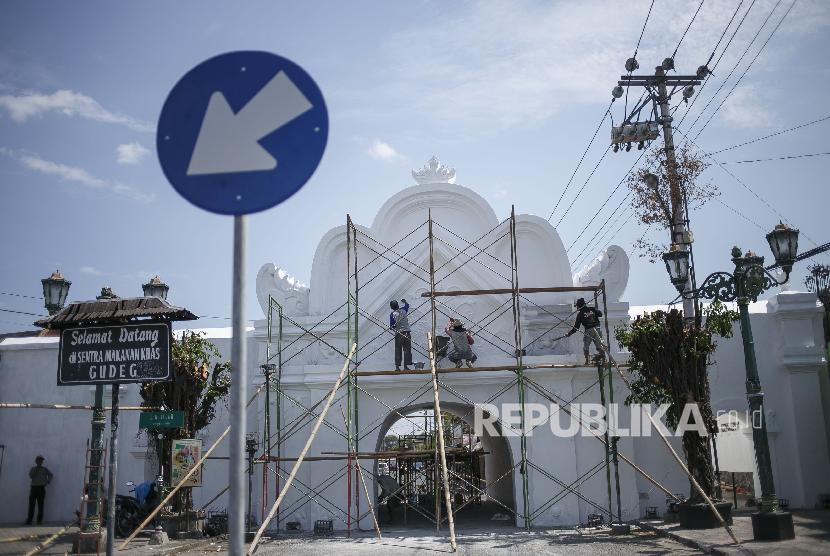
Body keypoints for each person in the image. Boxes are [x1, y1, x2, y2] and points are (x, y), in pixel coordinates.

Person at [566, 298, 605, 365]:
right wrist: (595, 311)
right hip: (597, 329)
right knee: (599, 346)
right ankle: (603, 360)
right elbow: (600, 314)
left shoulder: (580, 314)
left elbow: (576, 328)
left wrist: (569, 333)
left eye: (577, 306)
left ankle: (587, 361)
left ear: (580, 305)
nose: (577, 308)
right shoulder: (592, 309)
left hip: (589, 330)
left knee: (586, 347)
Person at [26, 455, 53, 525]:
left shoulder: (44, 469)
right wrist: (36, 469)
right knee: (31, 505)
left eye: (41, 460)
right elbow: (31, 476)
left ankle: (39, 521)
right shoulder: (33, 468)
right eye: (38, 460)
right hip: (34, 488)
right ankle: (29, 520)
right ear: (36, 461)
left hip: (41, 488)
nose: (40, 462)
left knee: (41, 505)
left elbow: (51, 475)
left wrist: (48, 481)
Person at [390, 298, 412, 370]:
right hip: (407, 333)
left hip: (399, 334)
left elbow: (392, 326)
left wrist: (394, 327)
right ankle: (406, 367)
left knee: (398, 349)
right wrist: (405, 301)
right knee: (407, 349)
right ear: (398, 305)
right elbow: (407, 305)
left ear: (391, 307)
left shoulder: (392, 314)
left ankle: (397, 367)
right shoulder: (404, 310)